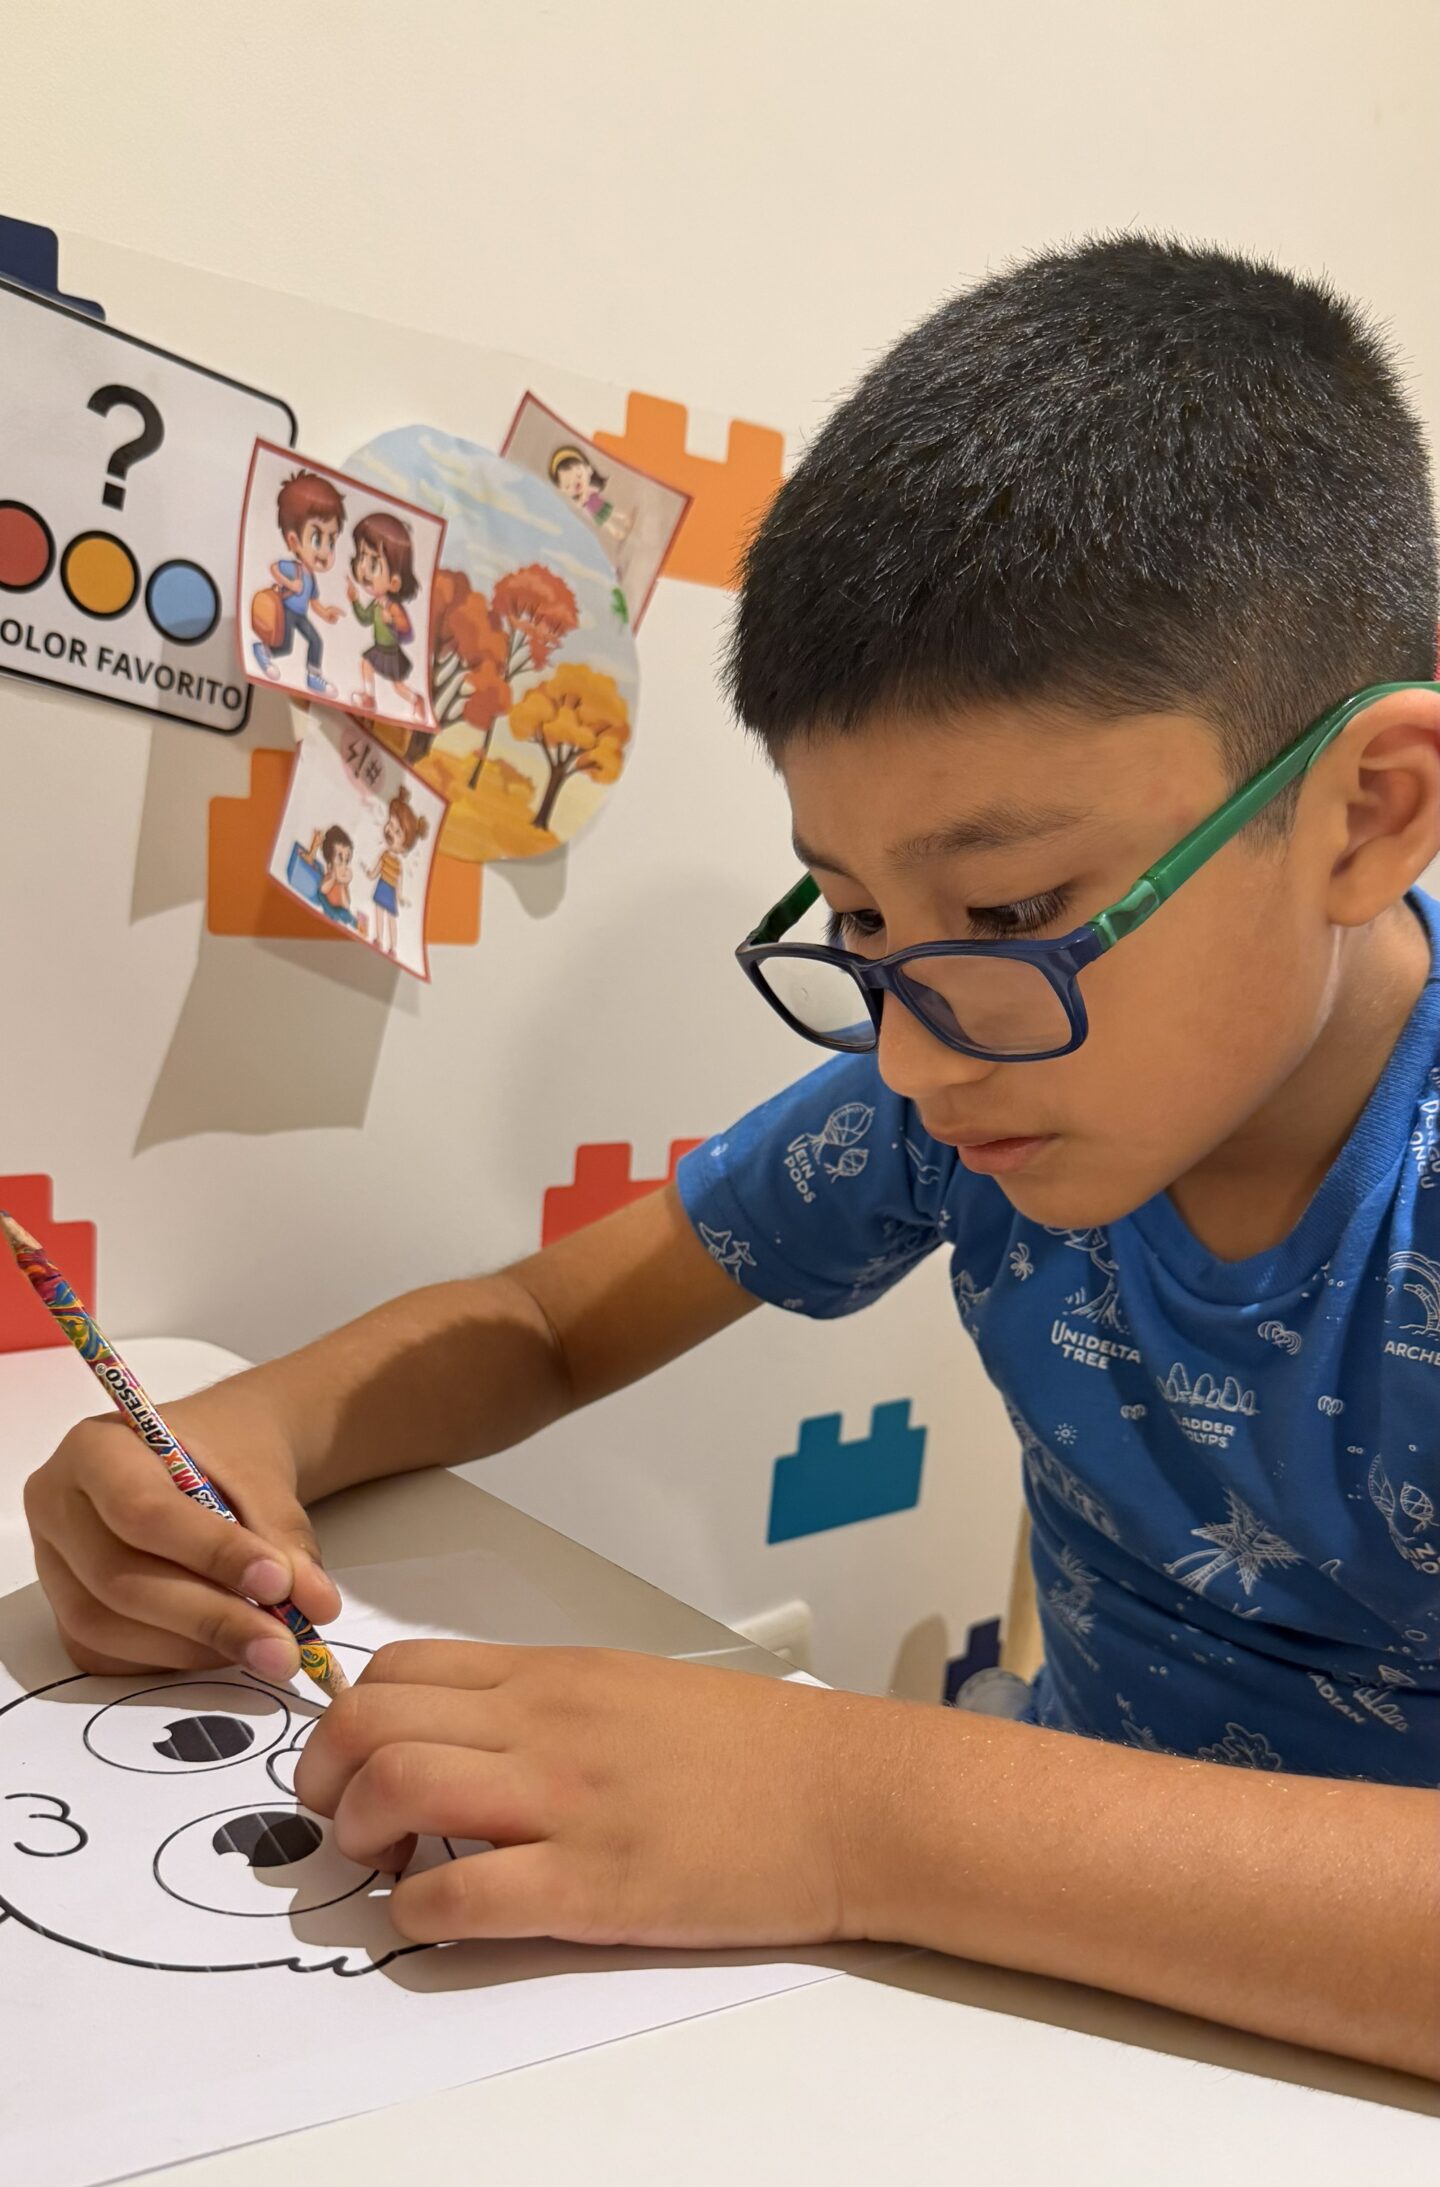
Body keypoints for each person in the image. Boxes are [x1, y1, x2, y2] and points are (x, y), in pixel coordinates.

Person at [25, 236, 1440, 2081]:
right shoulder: (975, 1079)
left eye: (1013, 909)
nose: (914, 1055)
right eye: (856, 918)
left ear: (1370, 813)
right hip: (1053, 1995)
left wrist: (863, 1811)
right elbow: (544, 1325)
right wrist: (249, 1437)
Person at [254, 470, 345, 696]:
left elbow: (313, 600)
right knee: (284, 646)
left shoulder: (311, 577)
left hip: (300, 615)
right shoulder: (293, 568)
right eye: (317, 539)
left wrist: (325, 613)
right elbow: (274, 568)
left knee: (316, 640)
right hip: (284, 611)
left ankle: (314, 677)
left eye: (331, 542)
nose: (325, 551)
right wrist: (289, 583)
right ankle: (261, 650)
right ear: (294, 540)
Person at [347, 512, 425, 722]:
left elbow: (407, 632)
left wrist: (393, 621)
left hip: (391, 652)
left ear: (394, 583)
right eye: (361, 558)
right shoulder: (376, 603)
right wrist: (354, 601)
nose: (363, 569)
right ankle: (369, 698)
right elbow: (364, 619)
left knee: (397, 685)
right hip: (379, 649)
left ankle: (416, 700)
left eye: (373, 564)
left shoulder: (393, 607)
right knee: (365, 664)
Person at [362, 784, 427, 960]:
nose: (390, 831)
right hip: (381, 885)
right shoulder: (384, 855)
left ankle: (392, 947)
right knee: (378, 913)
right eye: (390, 824)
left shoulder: (398, 864)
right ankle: (378, 939)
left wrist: (399, 897)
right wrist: (369, 874)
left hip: (389, 890)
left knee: (391, 918)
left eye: (397, 832)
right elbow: (376, 871)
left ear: (405, 845)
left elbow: (399, 882)